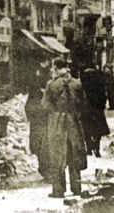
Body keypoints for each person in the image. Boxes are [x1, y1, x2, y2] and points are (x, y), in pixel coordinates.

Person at [41, 59, 88, 198]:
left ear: (56, 68)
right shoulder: (77, 83)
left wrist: (56, 111)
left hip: (57, 123)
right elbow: (83, 103)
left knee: (57, 155)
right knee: (75, 154)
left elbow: (45, 104)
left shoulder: (51, 84)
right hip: (73, 123)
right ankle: (77, 187)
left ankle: (58, 190)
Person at [24, 58, 52, 178]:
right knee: (45, 144)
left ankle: (44, 168)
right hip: (44, 118)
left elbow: (27, 107)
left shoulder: (33, 82)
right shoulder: (47, 79)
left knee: (39, 144)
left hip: (36, 119)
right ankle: (46, 169)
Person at [80, 64, 110, 158]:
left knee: (87, 130)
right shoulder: (99, 85)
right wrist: (101, 106)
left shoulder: (82, 86)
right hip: (97, 111)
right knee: (98, 131)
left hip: (86, 111)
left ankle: (89, 148)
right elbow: (104, 98)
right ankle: (97, 148)